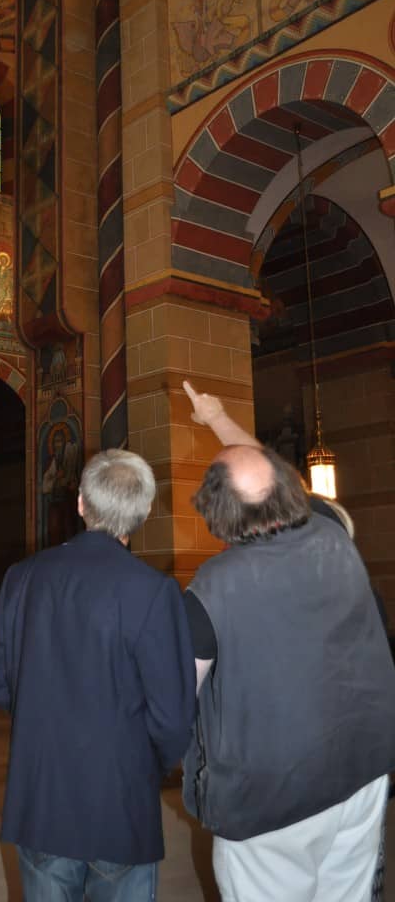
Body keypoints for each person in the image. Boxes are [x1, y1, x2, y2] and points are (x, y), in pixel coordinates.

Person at [181, 381, 395, 902]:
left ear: (214, 517)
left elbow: (176, 695)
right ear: (288, 493)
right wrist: (216, 418)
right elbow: (278, 473)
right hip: (361, 769)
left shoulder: (210, 589)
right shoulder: (331, 534)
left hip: (271, 794)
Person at [0, 448, 196, 902]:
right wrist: (147, 762)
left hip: (42, 793)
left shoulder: (23, 578)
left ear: (80, 503)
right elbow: (173, 714)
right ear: (144, 512)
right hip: (121, 797)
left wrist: (43, 714)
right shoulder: (154, 592)